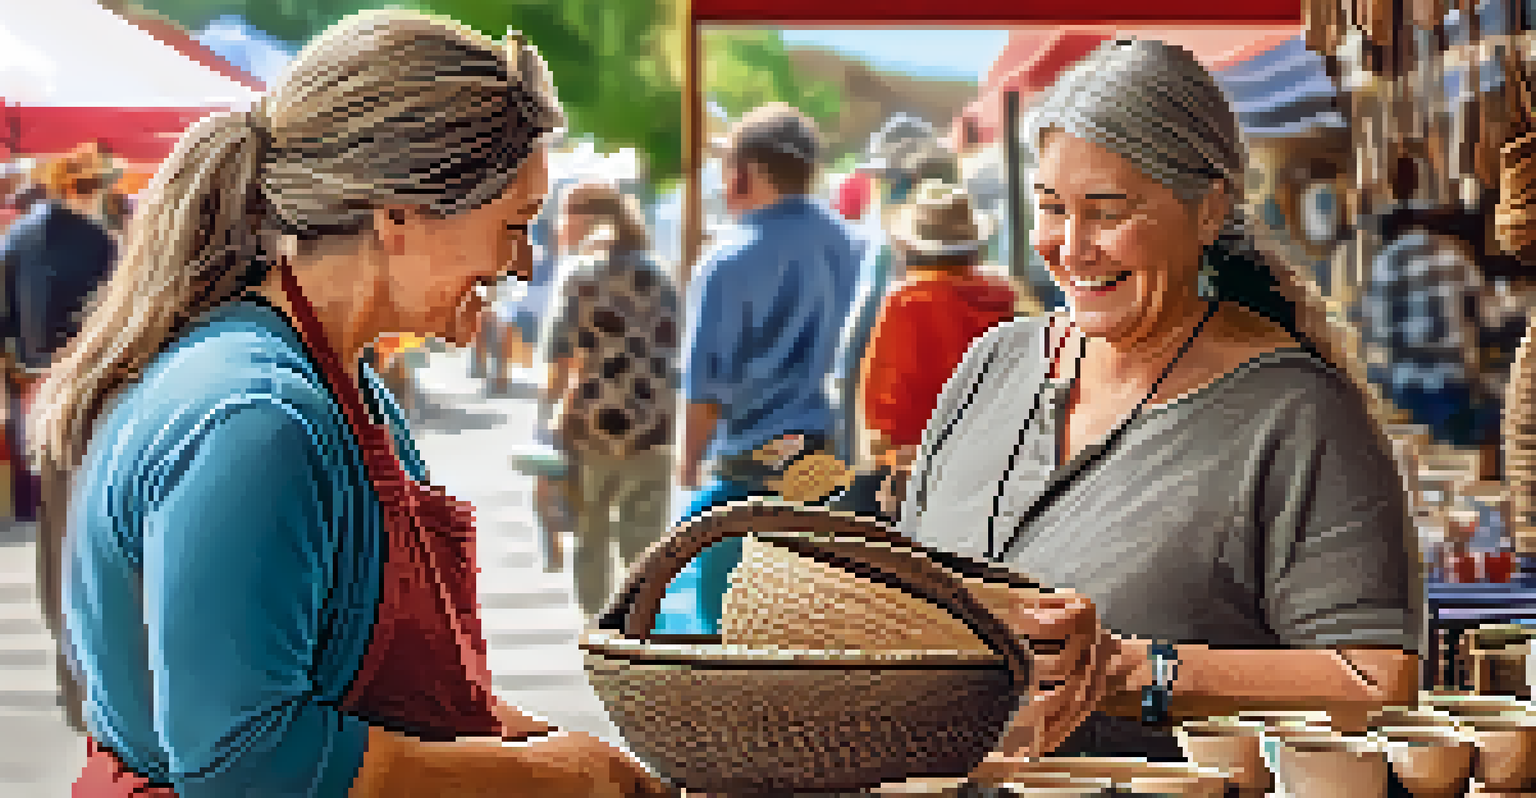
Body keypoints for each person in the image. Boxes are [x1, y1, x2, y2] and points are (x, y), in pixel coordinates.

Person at [28, 10, 672, 797]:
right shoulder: (254, 420)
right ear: (398, 210)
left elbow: (367, 684)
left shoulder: (343, 383)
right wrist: (539, 776)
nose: (526, 266)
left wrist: (537, 742)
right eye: (514, 225)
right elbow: (245, 760)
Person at [897, 39, 1421, 761]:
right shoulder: (994, 362)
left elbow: (1377, 681)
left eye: (1107, 213)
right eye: (1052, 208)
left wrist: (1136, 671)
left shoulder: (1299, 416)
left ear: (1208, 212)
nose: (1071, 248)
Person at [655, 103, 860, 635]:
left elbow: (705, 386)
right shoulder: (858, 249)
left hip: (744, 483)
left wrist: (687, 469)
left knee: (720, 636)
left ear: (744, 173)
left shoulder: (727, 261)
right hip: (833, 479)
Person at [541, 182, 680, 621]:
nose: (559, 225)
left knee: (590, 538)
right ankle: (639, 631)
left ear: (588, 219)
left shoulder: (580, 275)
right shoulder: (659, 274)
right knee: (645, 545)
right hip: (655, 427)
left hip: (591, 427)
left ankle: (598, 630)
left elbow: (559, 361)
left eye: (566, 214)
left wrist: (546, 426)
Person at [852, 181, 1015, 522]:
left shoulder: (907, 301)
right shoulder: (1006, 296)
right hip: (993, 473)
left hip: (919, 478)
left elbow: (884, 411)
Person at [0, 143, 120, 528]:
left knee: (37, 487)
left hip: (27, 377)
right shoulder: (97, 240)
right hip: (79, 375)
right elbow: (113, 313)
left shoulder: (13, 238)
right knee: (75, 487)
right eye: (91, 186)